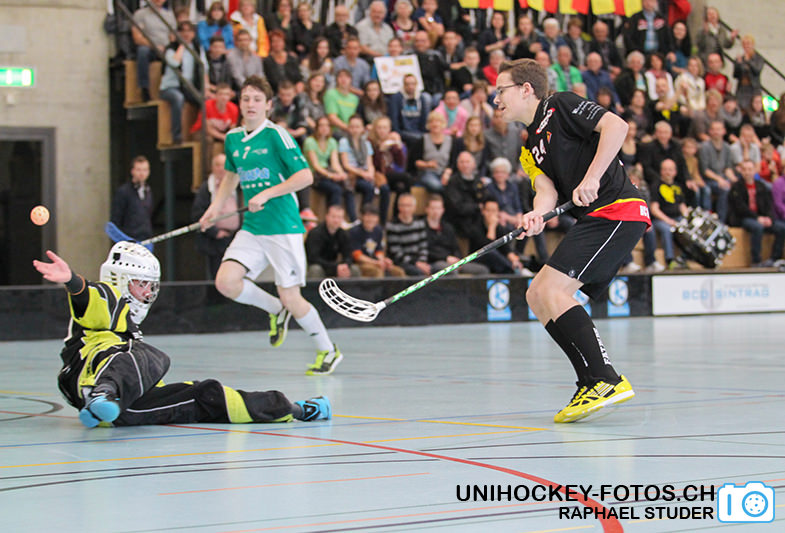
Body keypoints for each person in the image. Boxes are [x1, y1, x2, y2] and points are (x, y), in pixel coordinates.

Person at [494, 58, 650, 423]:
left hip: (619, 209)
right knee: (537, 294)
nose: (496, 100)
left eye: (501, 91)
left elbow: (616, 126)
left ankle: (606, 379)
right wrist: (537, 215)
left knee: (552, 291)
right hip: (595, 218)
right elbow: (546, 192)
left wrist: (593, 177)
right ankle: (590, 382)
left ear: (526, 89)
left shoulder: (560, 104)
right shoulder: (528, 147)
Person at [32, 243, 330, 428]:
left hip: (123, 408)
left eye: (151, 286)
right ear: (119, 280)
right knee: (152, 356)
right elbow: (89, 297)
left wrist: (290, 409)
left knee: (205, 395)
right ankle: (103, 394)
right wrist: (71, 280)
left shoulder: (129, 328)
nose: (148, 293)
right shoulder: (108, 297)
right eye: (141, 285)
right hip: (85, 377)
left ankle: (296, 409)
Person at [199, 76, 343, 376]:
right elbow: (231, 177)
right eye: (246, 99)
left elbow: (305, 176)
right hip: (253, 227)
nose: (250, 104)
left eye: (256, 99)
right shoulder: (232, 139)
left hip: (282, 227)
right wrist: (214, 209)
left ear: (268, 105)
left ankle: (328, 350)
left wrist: (267, 193)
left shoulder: (277, 135)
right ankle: (275, 309)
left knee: (292, 296)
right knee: (226, 282)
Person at [191, 154, 241, 279]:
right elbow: (198, 213)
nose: (221, 169)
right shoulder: (206, 188)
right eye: (217, 165)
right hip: (215, 241)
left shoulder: (239, 186)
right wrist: (215, 232)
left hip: (237, 238)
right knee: (217, 276)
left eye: (224, 165)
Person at [728, 159, 785, 267]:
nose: (747, 172)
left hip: (761, 217)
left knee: (781, 228)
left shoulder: (761, 186)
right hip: (744, 218)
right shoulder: (736, 187)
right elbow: (741, 208)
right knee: (757, 227)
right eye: (745, 169)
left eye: (750, 169)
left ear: (754, 170)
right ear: (741, 171)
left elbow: (769, 205)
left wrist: (769, 218)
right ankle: (756, 261)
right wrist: (757, 218)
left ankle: (775, 258)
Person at [159, 21, 208, 145]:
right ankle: (177, 136)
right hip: (170, 87)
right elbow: (175, 63)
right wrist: (182, 46)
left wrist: (206, 87)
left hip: (189, 86)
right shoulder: (171, 48)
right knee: (178, 98)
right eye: (183, 31)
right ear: (178, 33)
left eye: (189, 31)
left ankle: (201, 132)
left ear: (193, 34)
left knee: (204, 100)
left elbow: (204, 68)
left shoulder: (197, 48)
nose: (186, 34)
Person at [339, 115, 390, 222]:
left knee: (378, 187)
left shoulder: (366, 144)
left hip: (364, 173)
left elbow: (369, 163)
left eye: (357, 127)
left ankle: (375, 217)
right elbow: (346, 164)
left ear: (362, 128)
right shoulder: (344, 141)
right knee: (364, 187)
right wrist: (362, 173)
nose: (355, 129)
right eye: (352, 126)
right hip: (352, 173)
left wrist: (370, 173)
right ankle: (358, 217)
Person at [304, 116, 354, 220]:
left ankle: (352, 218)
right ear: (316, 127)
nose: (324, 128)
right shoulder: (310, 141)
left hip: (326, 172)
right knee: (335, 189)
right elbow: (315, 165)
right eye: (321, 125)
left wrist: (341, 174)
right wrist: (331, 176)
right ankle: (333, 217)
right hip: (314, 175)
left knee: (348, 187)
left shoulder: (332, 141)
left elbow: (335, 163)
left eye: (327, 126)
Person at [424, 195, 489, 275]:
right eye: (433, 208)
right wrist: (446, 258)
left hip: (452, 261)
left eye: (438, 208)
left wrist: (458, 260)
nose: (435, 211)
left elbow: (455, 247)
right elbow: (426, 250)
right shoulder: (421, 227)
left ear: (443, 210)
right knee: (451, 271)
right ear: (427, 209)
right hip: (434, 262)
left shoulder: (448, 227)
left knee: (483, 270)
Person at [132, 0, 176, 102]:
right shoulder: (140, 14)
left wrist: (168, 47)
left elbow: (173, 36)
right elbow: (137, 37)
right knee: (142, 51)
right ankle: (144, 87)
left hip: (165, 48)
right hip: (150, 47)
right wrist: (154, 46)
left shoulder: (169, 15)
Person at [650, 158, 690, 270]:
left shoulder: (677, 186)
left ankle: (684, 258)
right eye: (665, 169)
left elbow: (682, 205)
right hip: (660, 219)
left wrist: (687, 218)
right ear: (661, 171)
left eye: (670, 170)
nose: (668, 172)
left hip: (677, 217)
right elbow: (654, 209)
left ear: (675, 172)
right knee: (666, 229)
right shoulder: (656, 186)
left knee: (688, 228)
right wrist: (668, 221)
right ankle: (670, 260)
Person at [348, 203, 405, 277]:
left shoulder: (378, 230)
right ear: (362, 217)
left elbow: (379, 251)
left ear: (377, 218)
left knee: (398, 271)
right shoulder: (355, 231)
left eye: (374, 216)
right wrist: (375, 262)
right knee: (377, 271)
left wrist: (383, 261)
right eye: (368, 216)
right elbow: (357, 255)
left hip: (375, 261)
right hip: (359, 264)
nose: (370, 219)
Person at [305, 205, 359, 279]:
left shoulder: (343, 234)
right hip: (319, 266)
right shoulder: (315, 233)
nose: (336, 220)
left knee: (354, 269)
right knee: (316, 269)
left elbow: (348, 255)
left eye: (339, 217)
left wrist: (345, 265)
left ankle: (350, 287)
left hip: (334, 266)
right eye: (333, 217)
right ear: (327, 217)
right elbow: (313, 258)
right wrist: (335, 267)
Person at [700, 120, 737, 222]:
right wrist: (719, 179)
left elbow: (727, 168)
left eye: (718, 129)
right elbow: (705, 170)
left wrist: (734, 180)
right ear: (710, 131)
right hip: (708, 179)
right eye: (714, 129)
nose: (716, 132)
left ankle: (734, 220)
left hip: (722, 178)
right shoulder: (704, 147)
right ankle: (720, 221)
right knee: (725, 189)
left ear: (724, 131)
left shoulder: (727, 147)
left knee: (738, 187)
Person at [386, 193, 431, 276]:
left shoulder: (420, 223)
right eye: (403, 205)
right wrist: (417, 263)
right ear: (398, 207)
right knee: (418, 272)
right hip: (402, 262)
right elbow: (396, 253)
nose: (406, 209)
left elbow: (423, 246)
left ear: (414, 207)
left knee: (437, 269)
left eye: (409, 206)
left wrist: (422, 262)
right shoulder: (392, 226)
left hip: (419, 261)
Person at [111, 155, 154, 242]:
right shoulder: (123, 192)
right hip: (129, 239)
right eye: (138, 170)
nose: (142, 173)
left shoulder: (148, 191)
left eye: (145, 170)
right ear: (132, 171)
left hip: (146, 239)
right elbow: (116, 219)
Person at [190, 83, 239, 157]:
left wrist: (228, 137)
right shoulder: (207, 105)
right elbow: (208, 129)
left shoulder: (234, 108)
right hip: (201, 131)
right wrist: (223, 137)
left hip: (221, 132)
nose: (224, 97)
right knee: (208, 140)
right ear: (216, 95)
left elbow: (233, 128)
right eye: (221, 94)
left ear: (230, 96)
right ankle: (208, 164)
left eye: (226, 94)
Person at [733, 35, 764, 112]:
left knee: (754, 108)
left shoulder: (758, 58)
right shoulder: (740, 58)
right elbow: (735, 75)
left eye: (748, 43)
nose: (746, 46)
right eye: (744, 44)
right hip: (742, 88)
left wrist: (748, 61)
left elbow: (757, 70)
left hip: (753, 87)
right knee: (741, 108)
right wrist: (738, 64)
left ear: (753, 45)